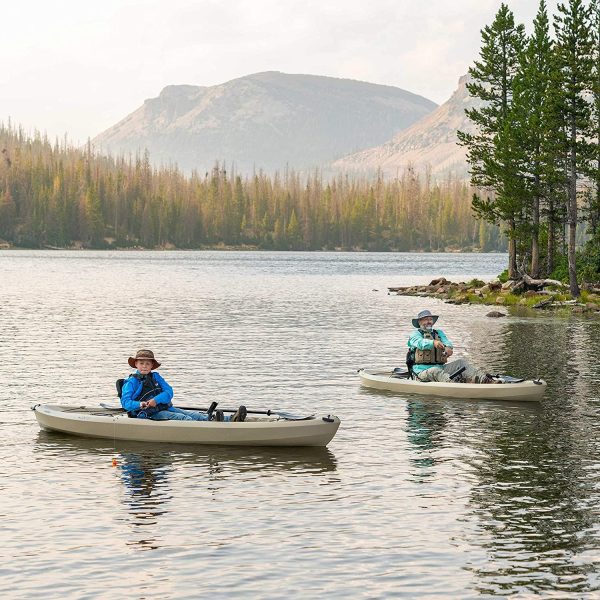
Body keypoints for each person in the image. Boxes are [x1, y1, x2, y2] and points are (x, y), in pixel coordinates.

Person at [121, 349, 247, 421]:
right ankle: (210, 429)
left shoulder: (156, 377)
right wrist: (141, 404)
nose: (144, 366)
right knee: (183, 418)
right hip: (149, 414)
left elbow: (169, 392)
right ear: (136, 364)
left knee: (196, 415)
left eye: (147, 364)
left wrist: (156, 400)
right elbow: (126, 403)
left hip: (165, 408)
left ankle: (231, 419)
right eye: (141, 363)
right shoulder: (131, 382)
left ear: (152, 366)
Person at [407, 310, 500, 383]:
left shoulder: (439, 333)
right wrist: (433, 343)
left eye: (430, 319)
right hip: (421, 373)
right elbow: (420, 343)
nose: (429, 322)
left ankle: (484, 380)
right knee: (435, 370)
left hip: (441, 369)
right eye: (426, 319)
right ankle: (454, 384)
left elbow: (447, 343)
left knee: (461, 363)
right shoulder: (414, 334)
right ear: (419, 322)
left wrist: (448, 348)